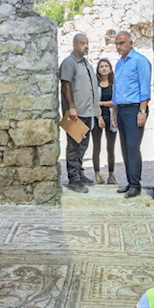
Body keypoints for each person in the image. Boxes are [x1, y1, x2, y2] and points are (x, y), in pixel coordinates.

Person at [112, 30, 152, 198]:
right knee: (124, 147)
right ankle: (130, 182)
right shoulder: (119, 64)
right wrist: (114, 111)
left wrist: (142, 111)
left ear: (131, 43)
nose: (119, 46)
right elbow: (116, 90)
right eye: (117, 44)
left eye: (122, 43)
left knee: (132, 147)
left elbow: (144, 88)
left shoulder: (140, 61)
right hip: (121, 109)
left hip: (135, 109)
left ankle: (136, 185)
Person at [59, 33, 100, 193]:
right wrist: (71, 107)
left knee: (83, 145)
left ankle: (80, 173)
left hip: (87, 111)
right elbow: (66, 86)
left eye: (87, 43)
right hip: (75, 113)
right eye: (82, 43)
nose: (86, 46)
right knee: (73, 146)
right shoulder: (69, 63)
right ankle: (73, 179)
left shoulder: (85, 63)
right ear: (74, 45)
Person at [91, 58, 118, 185]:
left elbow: (116, 101)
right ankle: (97, 174)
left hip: (112, 117)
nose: (104, 68)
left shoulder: (114, 84)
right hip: (97, 118)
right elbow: (92, 102)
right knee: (97, 146)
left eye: (106, 66)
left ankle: (111, 175)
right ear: (98, 69)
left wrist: (101, 103)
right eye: (101, 66)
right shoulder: (94, 85)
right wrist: (99, 116)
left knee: (110, 147)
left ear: (110, 69)